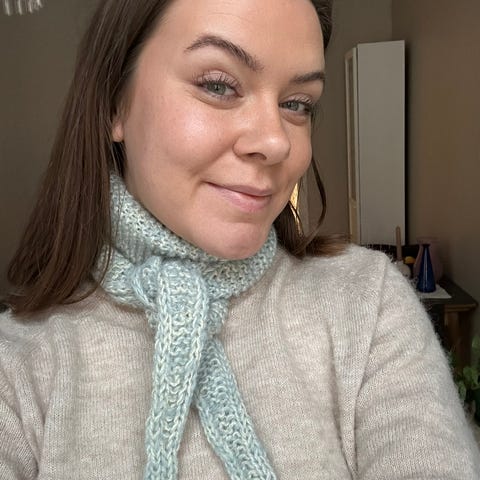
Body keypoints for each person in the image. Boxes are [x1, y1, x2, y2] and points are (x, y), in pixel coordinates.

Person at [1, 0, 479, 478]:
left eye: (297, 104)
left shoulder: (368, 303)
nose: (276, 142)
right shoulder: (16, 368)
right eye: (218, 85)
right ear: (114, 103)